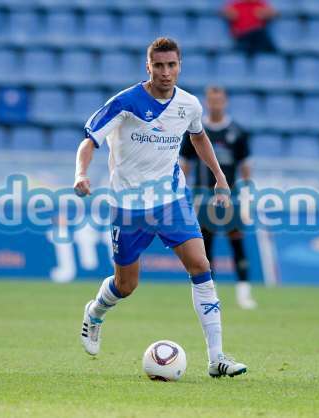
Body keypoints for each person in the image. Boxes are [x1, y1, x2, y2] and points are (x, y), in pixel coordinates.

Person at [74, 38, 247, 378]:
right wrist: (81, 173)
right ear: (148, 67)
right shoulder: (125, 103)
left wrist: (219, 176)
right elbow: (89, 142)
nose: (165, 72)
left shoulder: (189, 104)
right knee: (126, 285)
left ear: (179, 66)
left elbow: (198, 136)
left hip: (171, 200)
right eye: (159, 65)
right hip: (128, 206)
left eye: (172, 65)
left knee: (200, 265)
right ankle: (94, 313)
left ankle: (216, 358)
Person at [180, 86, 257, 310]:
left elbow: (245, 167)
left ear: (225, 102)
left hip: (230, 198)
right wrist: (182, 193)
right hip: (203, 198)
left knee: (237, 244)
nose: (216, 104)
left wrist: (246, 195)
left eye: (219, 100)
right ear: (207, 102)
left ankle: (244, 294)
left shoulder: (237, 132)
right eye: (212, 100)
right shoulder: (195, 129)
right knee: (205, 248)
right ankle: (209, 295)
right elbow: (185, 164)